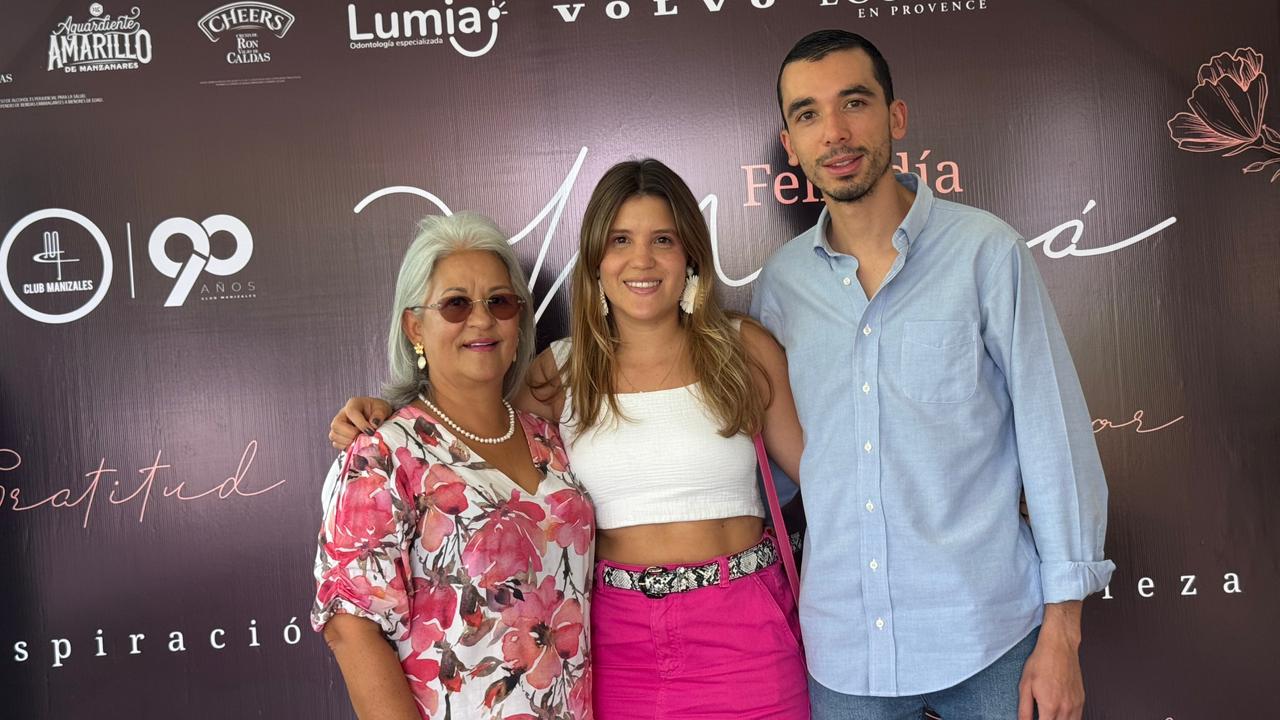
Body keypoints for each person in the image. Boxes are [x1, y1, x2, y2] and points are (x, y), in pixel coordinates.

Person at [330, 160, 811, 719]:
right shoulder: (559, 372)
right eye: (620, 240)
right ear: (596, 261)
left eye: (663, 239)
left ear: (691, 255)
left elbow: (825, 481)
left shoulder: (743, 349)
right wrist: (387, 414)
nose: (642, 260)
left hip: (745, 633)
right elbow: (466, 433)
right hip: (617, 645)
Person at [758, 30, 1115, 720]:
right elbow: (784, 464)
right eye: (808, 114)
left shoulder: (987, 252)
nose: (835, 132)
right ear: (791, 145)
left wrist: (1063, 634)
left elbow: (1055, 442)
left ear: (895, 117)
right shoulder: (781, 285)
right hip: (846, 652)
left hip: (991, 638)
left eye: (854, 102)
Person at [311, 213, 594, 720]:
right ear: (415, 326)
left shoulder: (551, 440)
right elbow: (351, 627)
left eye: (499, 302)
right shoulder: (383, 454)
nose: (481, 320)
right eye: (456, 304)